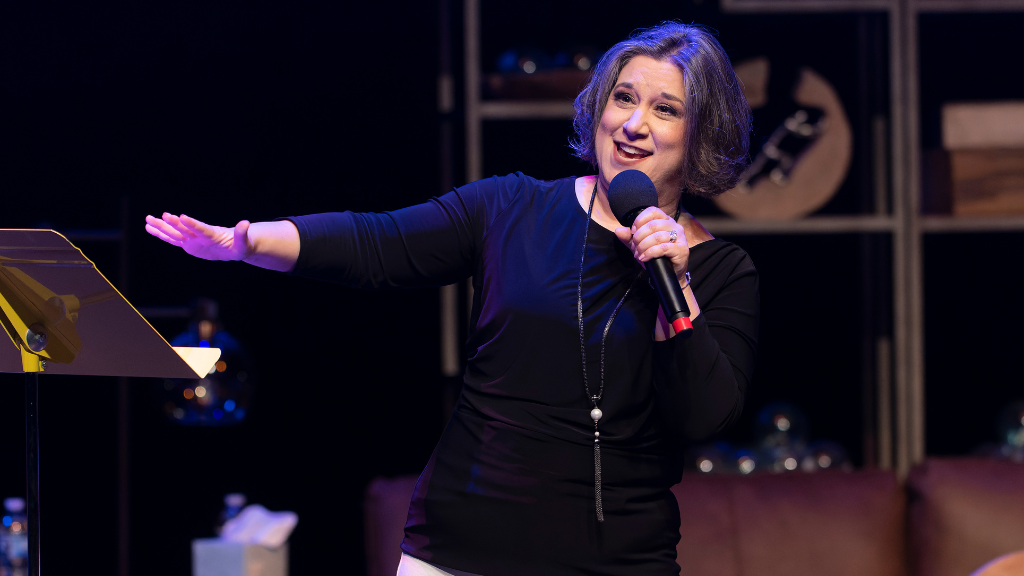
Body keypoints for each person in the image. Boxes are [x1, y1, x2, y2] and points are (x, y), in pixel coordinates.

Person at [146, 22, 758, 576]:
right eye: (623, 98)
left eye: (665, 108)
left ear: (701, 134)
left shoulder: (719, 270)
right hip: (462, 551)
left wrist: (671, 285)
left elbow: (701, 416)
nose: (634, 123)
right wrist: (245, 241)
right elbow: (376, 243)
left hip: (620, 560)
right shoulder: (510, 209)